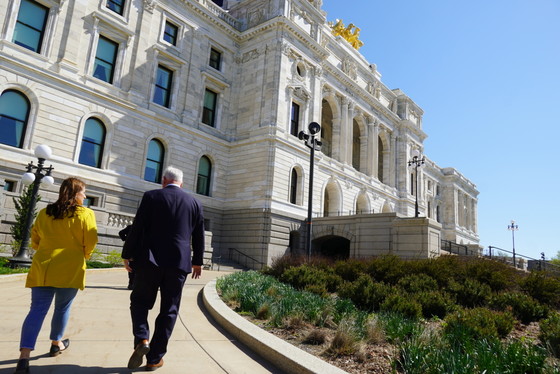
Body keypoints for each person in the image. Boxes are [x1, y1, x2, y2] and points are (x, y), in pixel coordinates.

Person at [122, 166, 205, 371]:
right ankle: (154, 358)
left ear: (164, 180)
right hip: (178, 263)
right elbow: (199, 235)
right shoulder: (194, 202)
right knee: (169, 309)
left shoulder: (150, 197)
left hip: (149, 261)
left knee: (140, 302)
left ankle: (142, 339)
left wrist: (127, 254)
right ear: (182, 183)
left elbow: (138, 227)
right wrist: (198, 261)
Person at [14, 177, 98, 374]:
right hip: (70, 266)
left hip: (43, 266)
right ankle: (56, 343)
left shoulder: (45, 212)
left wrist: (43, 250)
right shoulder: (86, 214)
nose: (85, 196)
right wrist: (84, 255)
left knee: (36, 310)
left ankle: (24, 357)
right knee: (62, 308)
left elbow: (35, 238)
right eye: (83, 192)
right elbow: (91, 240)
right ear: (76, 194)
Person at [118, 225, 135, 290]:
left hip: (130, 249)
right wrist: (126, 239)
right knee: (133, 267)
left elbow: (121, 233)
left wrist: (126, 239)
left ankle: (131, 283)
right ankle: (132, 284)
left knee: (131, 267)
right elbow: (121, 233)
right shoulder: (132, 227)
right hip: (135, 250)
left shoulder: (130, 227)